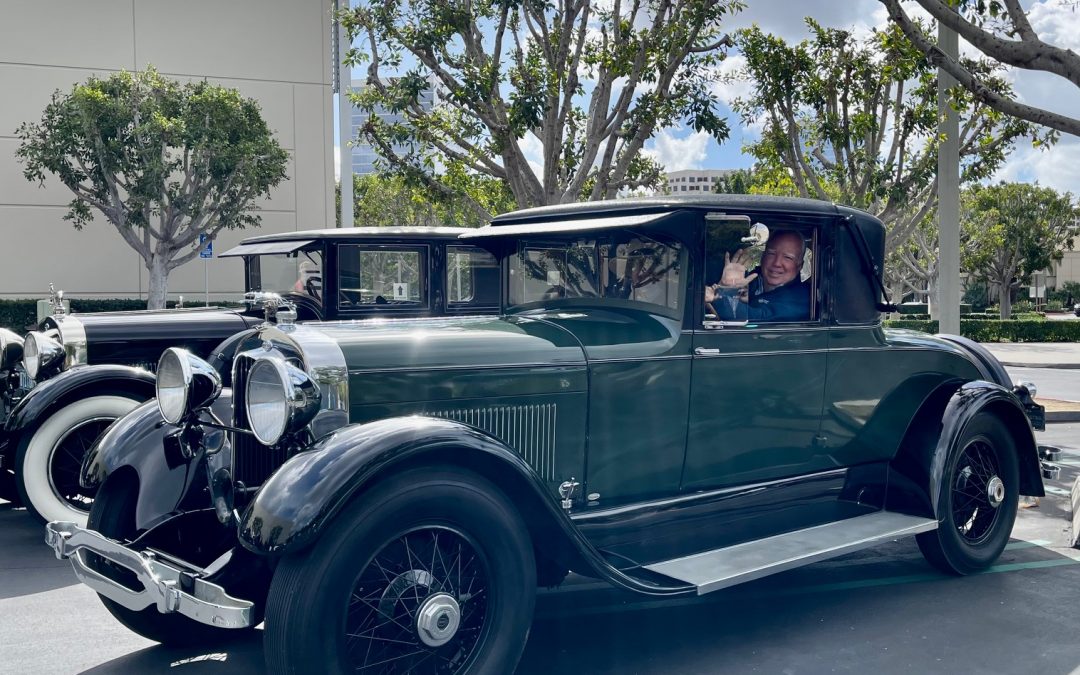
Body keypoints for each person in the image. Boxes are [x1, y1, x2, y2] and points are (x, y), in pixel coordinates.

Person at [705, 230, 809, 322]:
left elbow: (756, 319)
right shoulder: (751, 279)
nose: (777, 263)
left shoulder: (801, 298)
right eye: (771, 253)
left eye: (788, 257)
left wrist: (722, 294)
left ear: (799, 266)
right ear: (763, 257)